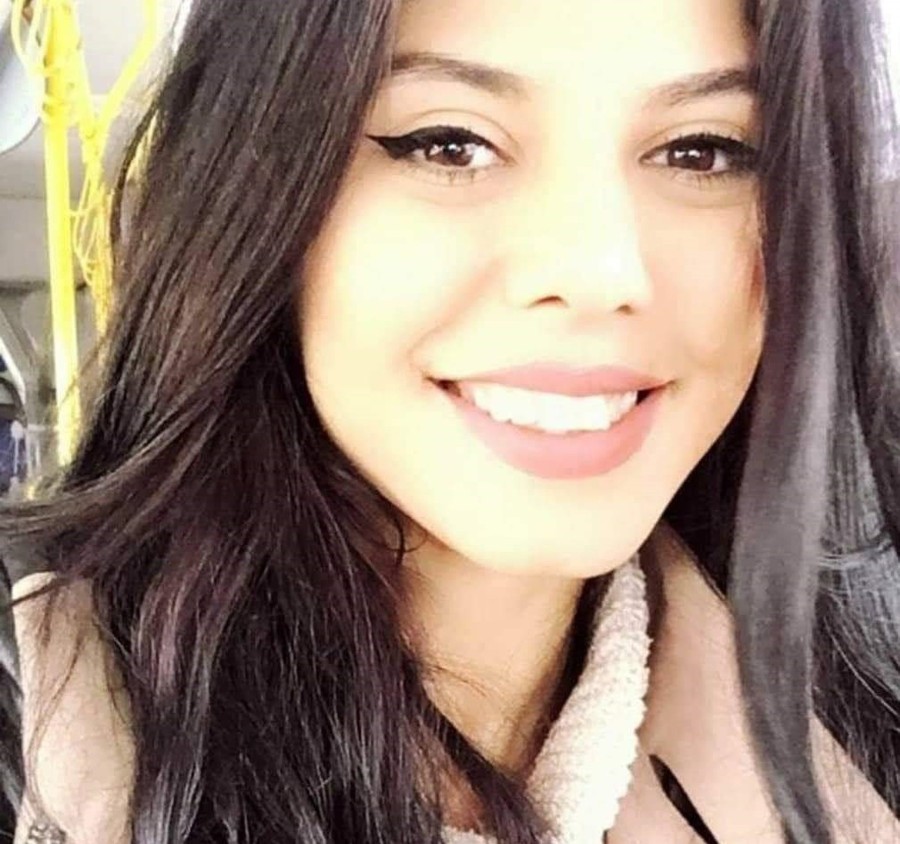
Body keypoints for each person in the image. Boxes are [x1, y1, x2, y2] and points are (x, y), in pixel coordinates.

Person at [1, 0, 900, 841]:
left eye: (703, 152)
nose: (599, 271)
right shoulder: (36, 703)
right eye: (450, 143)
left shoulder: (859, 733)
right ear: (249, 191)